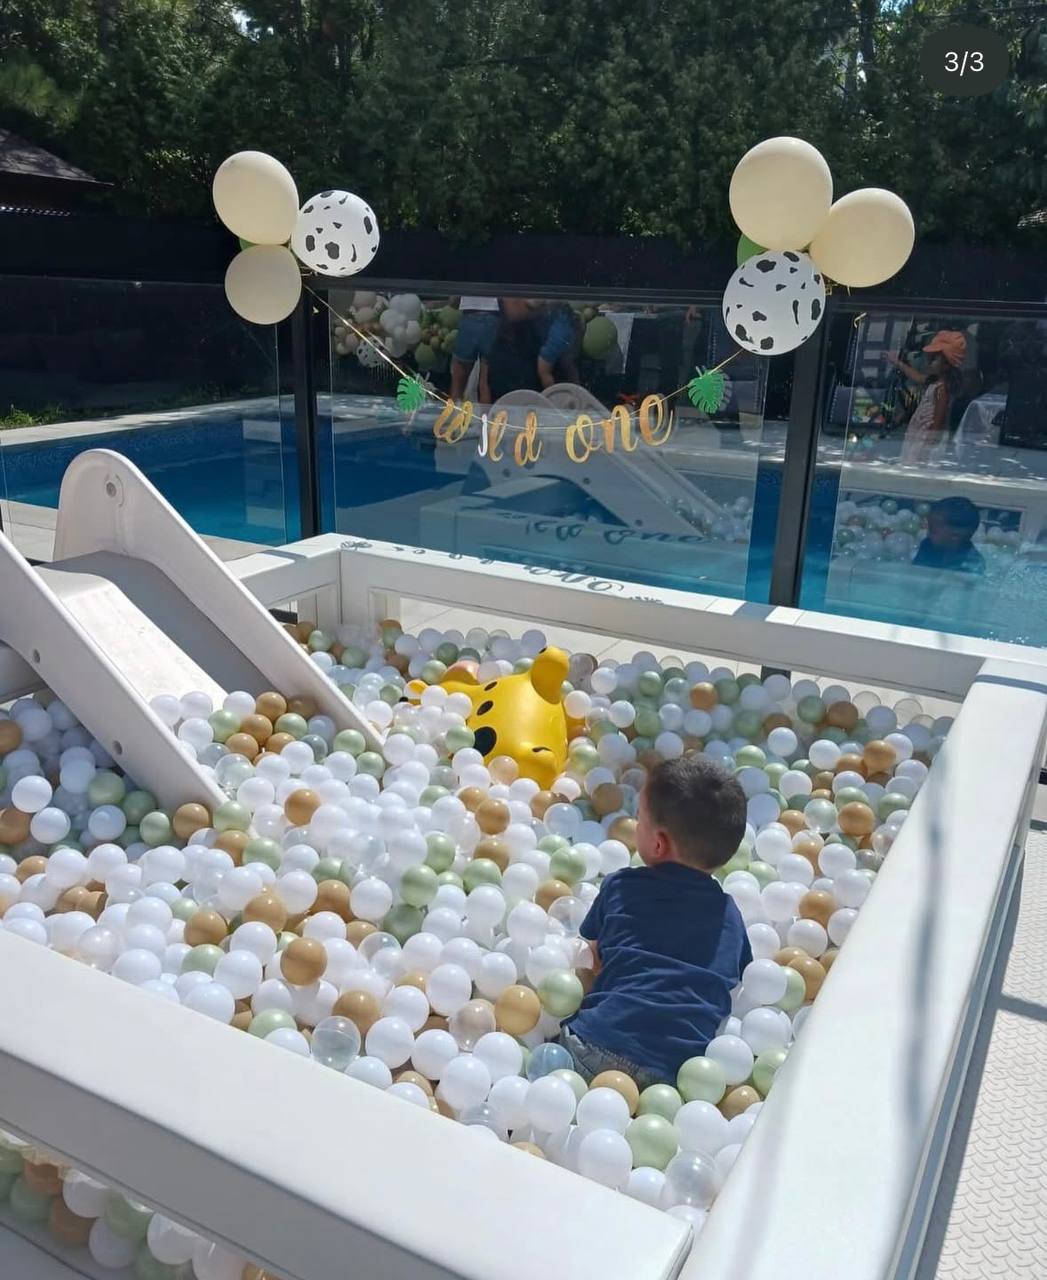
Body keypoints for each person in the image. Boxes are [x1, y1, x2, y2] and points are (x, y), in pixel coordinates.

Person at [559, 756, 751, 1088]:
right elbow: (735, 979)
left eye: (638, 820)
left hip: (595, 1044)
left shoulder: (622, 886)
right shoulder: (730, 918)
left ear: (658, 844)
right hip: (679, 1077)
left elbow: (594, 955)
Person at [892, 330, 966, 464]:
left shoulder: (941, 389)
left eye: (934, 359)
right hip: (918, 434)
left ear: (946, 365)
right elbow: (917, 376)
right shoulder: (934, 382)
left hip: (926, 438)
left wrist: (926, 445)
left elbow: (937, 421)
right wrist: (897, 362)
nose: (930, 363)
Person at [912, 496, 985, 574]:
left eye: (933, 531)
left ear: (954, 537)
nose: (928, 535)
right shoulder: (927, 545)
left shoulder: (971, 563)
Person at [449, 296, 498, 404]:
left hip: (470, 314)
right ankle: (485, 420)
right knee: (485, 386)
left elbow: (454, 300)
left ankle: (452, 418)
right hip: (495, 315)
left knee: (457, 385)